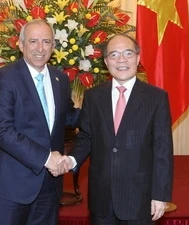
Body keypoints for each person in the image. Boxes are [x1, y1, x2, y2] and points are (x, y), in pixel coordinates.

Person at [58, 34, 174, 225]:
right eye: (114, 54)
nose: (121, 60)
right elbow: (87, 137)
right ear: (106, 61)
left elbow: (163, 150)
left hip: (140, 199)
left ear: (137, 58)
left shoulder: (156, 98)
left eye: (128, 53)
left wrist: (160, 195)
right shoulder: (93, 96)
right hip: (102, 200)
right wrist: (71, 160)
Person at [0, 19, 79, 225]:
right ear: (20, 44)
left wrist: (107, 111)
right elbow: (2, 130)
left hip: (49, 184)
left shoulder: (60, 79)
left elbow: (68, 116)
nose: (40, 48)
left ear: (53, 46)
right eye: (33, 41)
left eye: (46, 42)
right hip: (11, 184)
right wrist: (46, 158)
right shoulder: (4, 77)